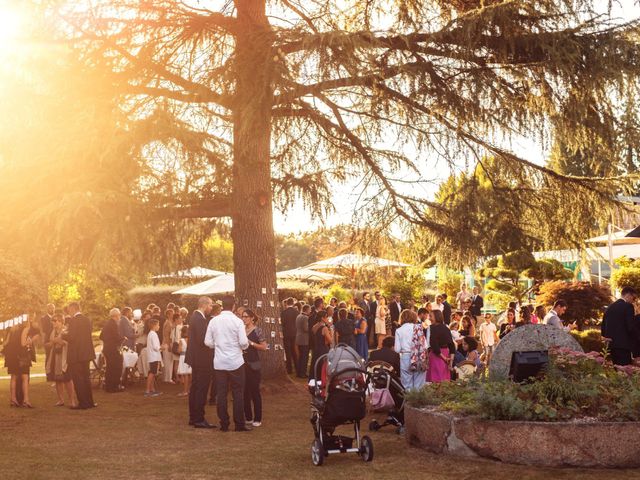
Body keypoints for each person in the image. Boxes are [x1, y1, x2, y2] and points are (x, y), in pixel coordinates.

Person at [205, 295, 250, 432]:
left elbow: (207, 342)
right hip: (236, 361)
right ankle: (239, 424)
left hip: (219, 362)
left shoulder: (214, 321)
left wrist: (217, 345)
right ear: (234, 306)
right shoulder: (237, 321)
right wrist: (243, 346)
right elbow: (243, 342)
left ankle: (224, 423)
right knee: (238, 393)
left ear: (222, 305)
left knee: (221, 393)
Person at [185, 296, 215, 428]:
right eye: (210, 305)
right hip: (201, 359)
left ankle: (194, 417)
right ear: (205, 305)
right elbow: (203, 341)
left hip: (196, 358)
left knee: (196, 388)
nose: (211, 308)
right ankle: (199, 418)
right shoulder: (199, 319)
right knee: (201, 389)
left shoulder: (195, 317)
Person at [65, 302, 96, 410]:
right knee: (86, 378)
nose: (69, 312)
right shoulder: (87, 320)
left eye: (69, 310)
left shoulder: (73, 321)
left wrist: (64, 335)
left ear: (73, 309)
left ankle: (83, 403)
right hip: (86, 353)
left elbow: (72, 337)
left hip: (76, 354)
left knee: (78, 379)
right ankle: (90, 401)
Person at [4, 318, 39, 408]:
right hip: (21, 356)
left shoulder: (10, 328)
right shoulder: (25, 328)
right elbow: (23, 343)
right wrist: (30, 341)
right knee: (25, 377)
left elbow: (6, 343)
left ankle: (13, 399)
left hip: (11, 356)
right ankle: (26, 400)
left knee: (13, 378)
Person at [241, 309, 267, 428]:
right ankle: (248, 417)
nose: (244, 319)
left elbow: (264, 347)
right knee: (245, 392)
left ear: (252, 318)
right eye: (243, 317)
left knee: (254, 391)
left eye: (246, 317)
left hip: (253, 364)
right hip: (242, 364)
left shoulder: (258, 330)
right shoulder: (241, 330)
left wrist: (250, 343)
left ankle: (258, 418)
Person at [601, 287, 638, 366]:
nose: (634, 301)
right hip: (624, 346)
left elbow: (603, 328)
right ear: (628, 295)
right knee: (625, 372)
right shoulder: (628, 306)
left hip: (611, 346)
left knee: (617, 372)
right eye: (634, 298)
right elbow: (630, 327)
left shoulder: (610, 307)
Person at [46, 313, 76, 407]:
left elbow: (66, 342)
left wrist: (58, 341)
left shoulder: (66, 330)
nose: (53, 323)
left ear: (61, 321)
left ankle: (72, 401)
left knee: (67, 379)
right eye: (52, 321)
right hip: (55, 356)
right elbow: (52, 341)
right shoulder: (53, 331)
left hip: (65, 357)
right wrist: (55, 341)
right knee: (57, 379)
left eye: (55, 321)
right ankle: (61, 400)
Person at [394, 309, 427, 390]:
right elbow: (425, 345)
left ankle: (409, 400)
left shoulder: (399, 330)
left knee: (407, 384)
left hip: (405, 357)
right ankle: (417, 401)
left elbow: (397, 350)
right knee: (419, 383)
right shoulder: (418, 328)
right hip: (418, 357)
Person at [100, 308, 125, 393]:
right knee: (117, 367)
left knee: (110, 368)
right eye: (119, 315)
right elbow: (116, 336)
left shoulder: (107, 324)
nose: (120, 317)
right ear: (116, 316)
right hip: (113, 349)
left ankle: (109, 387)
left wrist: (107, 341)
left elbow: (101, 336)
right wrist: (123, 338)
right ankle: (115, 386)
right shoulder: (113, 324)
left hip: (107, 348)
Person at [427, 310, 456, 383]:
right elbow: (451, 345)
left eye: (431, 316)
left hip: (437, 356)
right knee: (444, 381)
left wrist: (444, 358)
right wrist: (450, 361)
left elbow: (434, 346)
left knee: (435, 381)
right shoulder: (446, 328)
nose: (429, 318)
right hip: (446, 354)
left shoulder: (432, 328)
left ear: (437, 317)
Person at [309, 310, 333, 380]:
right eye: (326, 318)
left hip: (316, 349)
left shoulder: (314, 326)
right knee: (323, 367)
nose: (327, 319)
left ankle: (315, 381)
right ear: (322, 318)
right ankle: (322, 380)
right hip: (323, 349)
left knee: (315, 366)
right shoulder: (324, 328)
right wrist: (331, 330)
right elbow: (330, 341)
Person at [145, 318, 163, 397]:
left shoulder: (150, 334)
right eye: (158, 325)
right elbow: (156, 347)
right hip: (154, 356)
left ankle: (152, 389)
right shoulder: (154, 334)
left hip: (152, 356)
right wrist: (163, 347)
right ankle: (148, 390)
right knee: (152, 373)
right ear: (154, 326)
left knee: (152, 372)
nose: (159, 326)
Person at [281, 297, 299, 375]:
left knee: (288, 351)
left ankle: (289, 369)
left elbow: (282, 323)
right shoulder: (297, 312)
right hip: (295, 333)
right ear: (293, 303)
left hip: (286, 333)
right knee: (294, 351)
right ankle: (297, 367)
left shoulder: (284, 312)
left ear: (286, 303)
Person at [41, 303, 55, 382]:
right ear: (47, 309)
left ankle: (53, 374)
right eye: (51, 308)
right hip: (48, 340)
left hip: (55, 338)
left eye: (53, 308)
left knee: (54, 357)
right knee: (48, 357)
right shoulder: (44, 318)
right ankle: (48, 375)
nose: (52, 310)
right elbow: (44, 331)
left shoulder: (56, 317)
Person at [295, 304, 310, 378]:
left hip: (298, 338)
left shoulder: (298, 316)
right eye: (309, 310)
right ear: (307, 310)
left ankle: (298, 372)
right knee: (304, 357)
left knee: (301, 357)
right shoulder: (305, 317)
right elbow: (305, 328)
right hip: (304, 339)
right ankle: (302, 373)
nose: (310, 311)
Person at [177, 325, 191, 397]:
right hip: (190, 357)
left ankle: (185, 391)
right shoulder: (191, 340)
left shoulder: (181, 341)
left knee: (185, 375)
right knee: (189, 375)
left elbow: (179, 350)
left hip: (183, 357)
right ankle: (189, 390)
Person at [161, 308, 175, 383]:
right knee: (167, 361)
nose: (173, 314)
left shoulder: (170, 322)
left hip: (168, 343)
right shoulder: (167, 323)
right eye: (172, 313)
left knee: (169, 361)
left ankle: (167, 378)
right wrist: (169, 345)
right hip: (166, 344)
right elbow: (166, 335)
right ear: (168, 315)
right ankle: (167, 378)